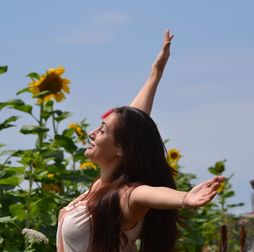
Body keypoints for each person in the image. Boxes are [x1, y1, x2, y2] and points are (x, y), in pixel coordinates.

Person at [56, 30, 224, 252]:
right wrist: (155, 73)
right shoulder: (102, 186)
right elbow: (132, 124)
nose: (92, 133)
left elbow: (148, 193)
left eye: (102, 130)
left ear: (121, 149)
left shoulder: (123, 195)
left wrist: (185, 198)